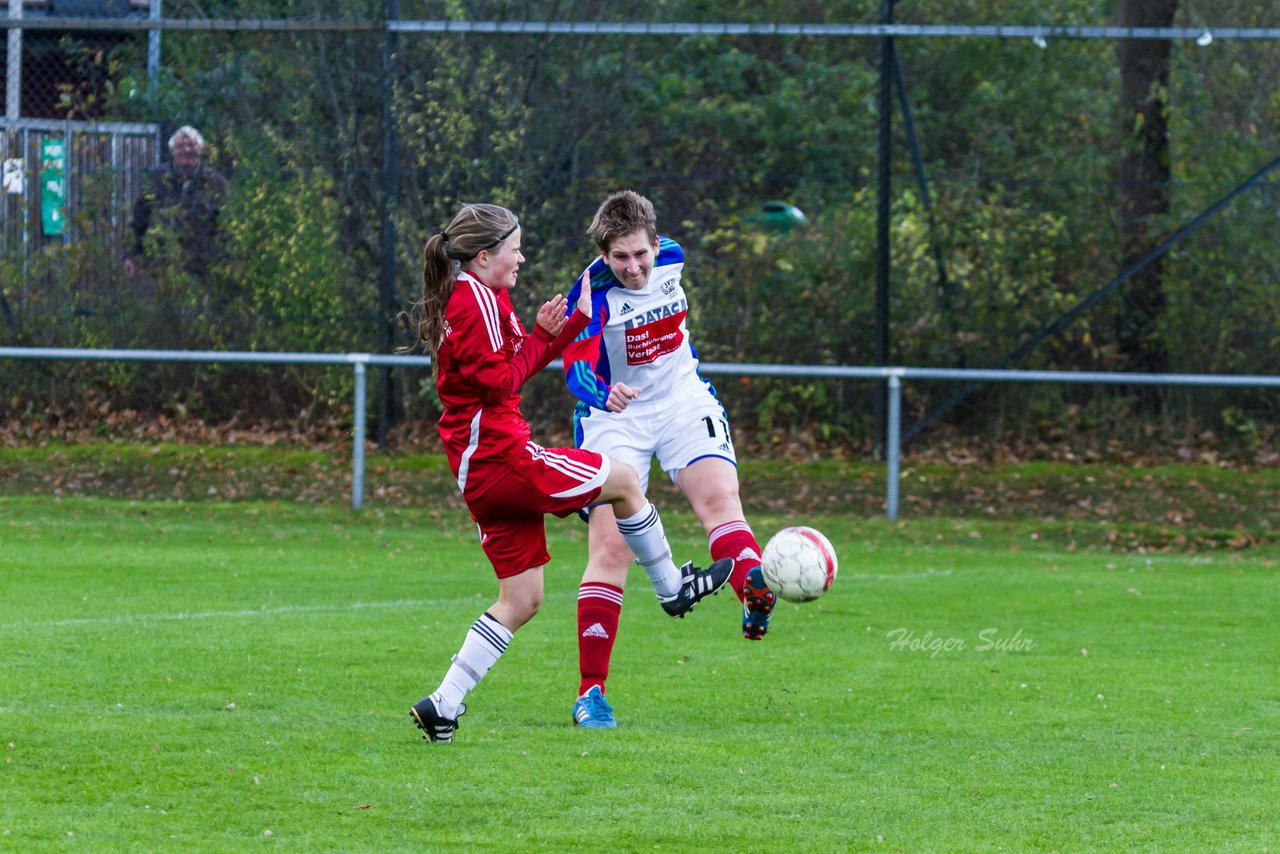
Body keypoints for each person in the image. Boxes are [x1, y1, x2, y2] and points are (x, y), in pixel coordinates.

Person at [403, 203, 732, 743]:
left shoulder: (483, 295)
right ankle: (673, 587)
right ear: (485, 256)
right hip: (503, 460)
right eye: (514, 249)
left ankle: (443, 703)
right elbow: (503, 384)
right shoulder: (472, 302)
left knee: (523, 600)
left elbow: (514, 364)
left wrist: (563, 327)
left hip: (478, 472)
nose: (521, 257)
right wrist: (547, 334)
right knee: (625, 481)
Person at [562, 190, 777, 730]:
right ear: (603, 254)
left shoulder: (675, 256)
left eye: (641, 254)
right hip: (617, 418)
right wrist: (598, 392)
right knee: (611, 548)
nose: (634, 268)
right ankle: (591, 694)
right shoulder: (592, 293)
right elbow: (573, 365)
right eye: (620, 258)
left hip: (683, 399)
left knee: (722, 503)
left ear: (656, 243)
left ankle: (754, 589)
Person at [124, 125, 229, 278]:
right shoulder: (156, 179)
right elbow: (138, 219)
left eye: (191, 145)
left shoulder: (215, 182)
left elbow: (226, 225)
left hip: (204, 268)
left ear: (200, 149)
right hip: (162, 266)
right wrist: (130, 255)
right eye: (180, 146)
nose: (186, 150)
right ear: (172, 151)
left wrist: (224, 260)